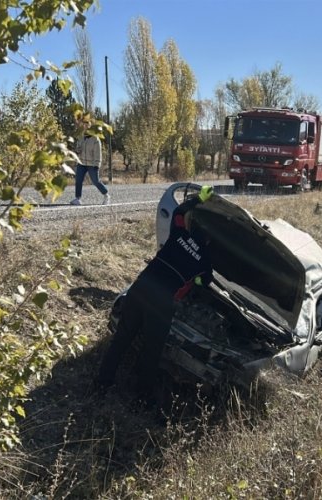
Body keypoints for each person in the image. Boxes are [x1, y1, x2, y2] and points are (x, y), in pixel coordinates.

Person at [96, 185, 215, 401]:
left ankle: (100, 385)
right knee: (151, 353)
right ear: (209, 241)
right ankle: (141, 399)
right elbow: (205, 282)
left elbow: (178, 213)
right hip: (162, 303)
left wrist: (198, 198)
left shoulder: (178, 234)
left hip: (140, 288)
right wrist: (197, 275)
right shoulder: (206, 261)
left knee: (121, 339)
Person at [70, 133, 109, 206]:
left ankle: (106, 195)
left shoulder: (95, 139)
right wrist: (77, 151)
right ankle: (77, 198)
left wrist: (97, 164)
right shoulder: (80, 137)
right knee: (78, 180)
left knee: (95, 181)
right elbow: (78, 148)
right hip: (81, 163)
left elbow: (98, 153)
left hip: (92, 164)